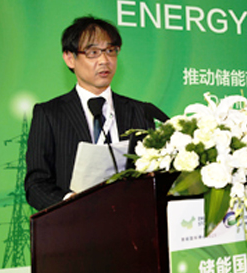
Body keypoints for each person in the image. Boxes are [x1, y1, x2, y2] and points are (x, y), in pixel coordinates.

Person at [25, 16, 167, 210]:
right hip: (74, 223)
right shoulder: (49, 114)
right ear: (69, 58)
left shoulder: (140, 111)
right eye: (93, 52)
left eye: (110, 51)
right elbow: (36, 185)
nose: (104, 60)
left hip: (132, 220)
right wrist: (70, 202)